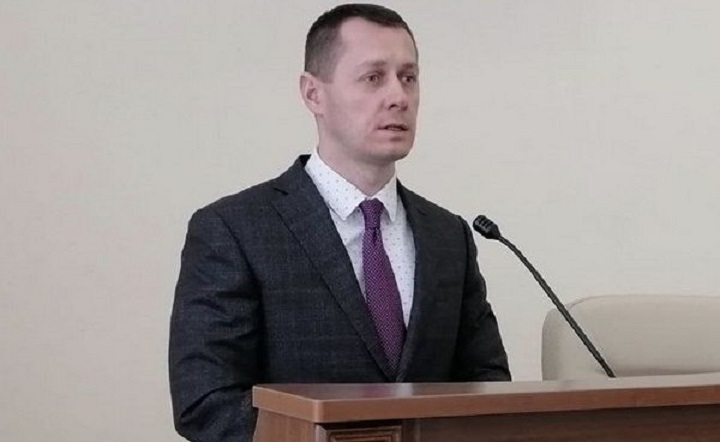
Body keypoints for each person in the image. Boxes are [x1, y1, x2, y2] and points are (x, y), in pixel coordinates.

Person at [169, 4, 510, 441]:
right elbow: (206, 401)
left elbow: (486, 383)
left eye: (408, 77)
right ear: (313, 94)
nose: (398, 97)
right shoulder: (234, 230)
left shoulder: (449, 236)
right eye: (373, 78)